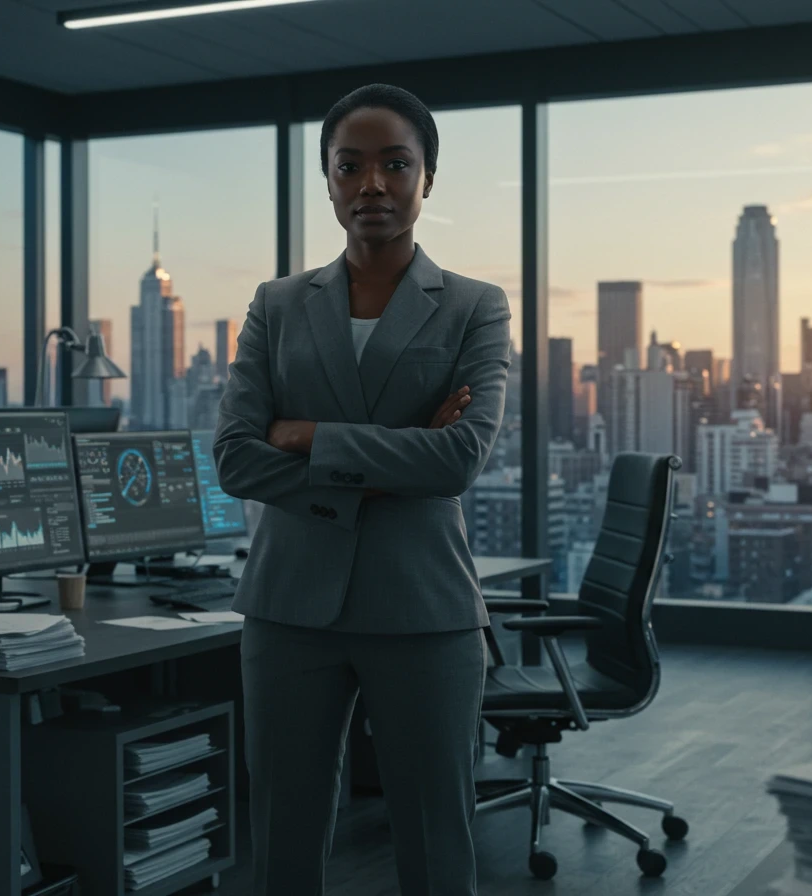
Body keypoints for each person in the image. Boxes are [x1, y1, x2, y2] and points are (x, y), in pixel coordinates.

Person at [213, 82, 512, 895]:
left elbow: (457, 461)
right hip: (288, 608)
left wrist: (309, 436)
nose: (371, 184)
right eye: (350, 167)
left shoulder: (475, 308)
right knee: (282, 834)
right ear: (330, 181)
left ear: (428, 179)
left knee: (435, 840)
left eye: (395, 165)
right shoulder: (276, 306)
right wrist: (391, 462)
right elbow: (236, 458)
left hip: (422, 607)